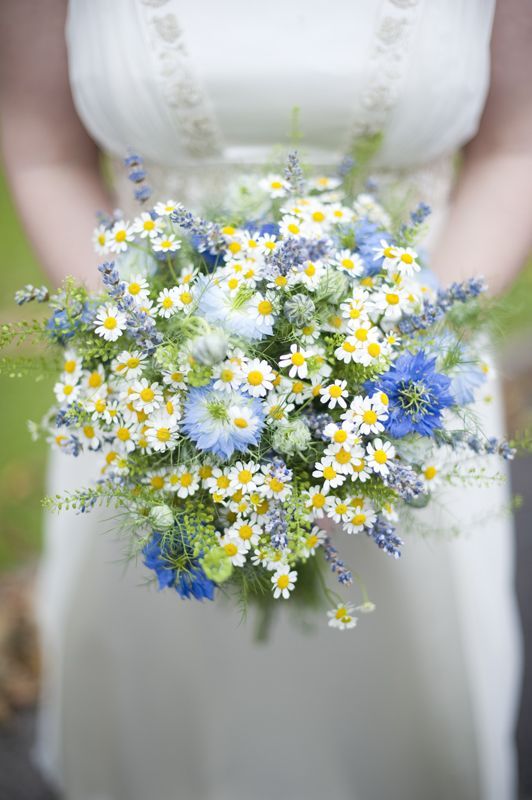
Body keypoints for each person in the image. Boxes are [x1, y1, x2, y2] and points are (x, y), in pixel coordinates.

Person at [1, 1, 531, 798]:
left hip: (406, 414)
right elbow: (41, 143)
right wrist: (157, 366)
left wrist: (389, 377)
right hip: (150, 417)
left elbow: (515, 144)